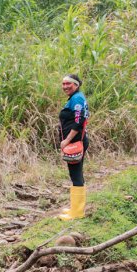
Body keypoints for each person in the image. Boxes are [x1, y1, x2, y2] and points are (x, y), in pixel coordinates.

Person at [58, 74, 89, 221]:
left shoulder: (77, 98)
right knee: (75, 174)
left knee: (76, 175)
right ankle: (75, 209)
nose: (65, 86)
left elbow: (79, 121)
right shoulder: (75, 98)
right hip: (75, 142)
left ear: (76, 85)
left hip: (75, 142)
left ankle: (77, 213)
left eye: (68, 84)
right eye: (63, 84)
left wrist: (67, 140)